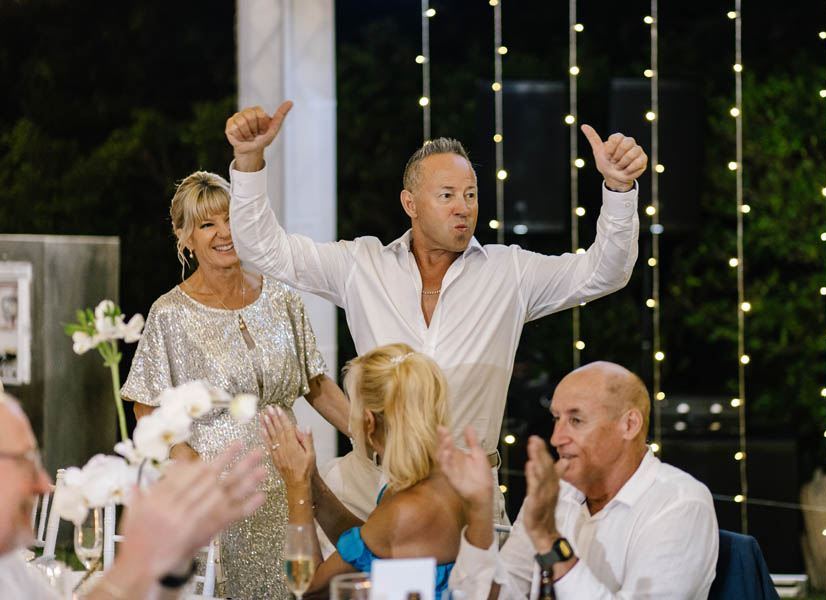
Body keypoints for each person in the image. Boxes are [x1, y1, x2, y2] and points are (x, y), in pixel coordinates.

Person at [225, 101, 647, 521]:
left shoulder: (510, 272)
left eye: (470, 195)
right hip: (367, 489)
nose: (463, 207)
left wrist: (619, 190)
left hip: (467, 497)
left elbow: (603, 273)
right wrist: (248, 161)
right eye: (447, 195)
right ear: (410, 203)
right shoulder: (361, 265)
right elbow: (264, 250)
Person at [120, 170, 350, 599]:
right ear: (185, 237)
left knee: (297, 587)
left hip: (290, 487)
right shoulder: (169, 313)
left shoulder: (282, 298)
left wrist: (370, 435)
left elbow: (316, 384)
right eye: (208, 224)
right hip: (218, 496)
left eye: (231, 219)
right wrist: (188, 463)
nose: (224, 233)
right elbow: (145, 407)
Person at [438, 361, 719, 599]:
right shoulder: (558, 493)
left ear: (629, 425)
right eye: (556, 419)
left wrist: (549, 540)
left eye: (576, 421)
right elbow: (498, 594)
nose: (556, 438)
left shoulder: (680, 504)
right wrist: (478, 511)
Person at [0, 391, 266, 600]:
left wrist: (172, 562)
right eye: (25, 461)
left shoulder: (10, 567)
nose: (43, 485)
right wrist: (136, 558)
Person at [261, 343, 466, 598]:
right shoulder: (436, 480)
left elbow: (308, 587)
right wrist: (313, 481)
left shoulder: (406, 509)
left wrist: (296, 485)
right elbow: (366, 547)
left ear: (368, 421)